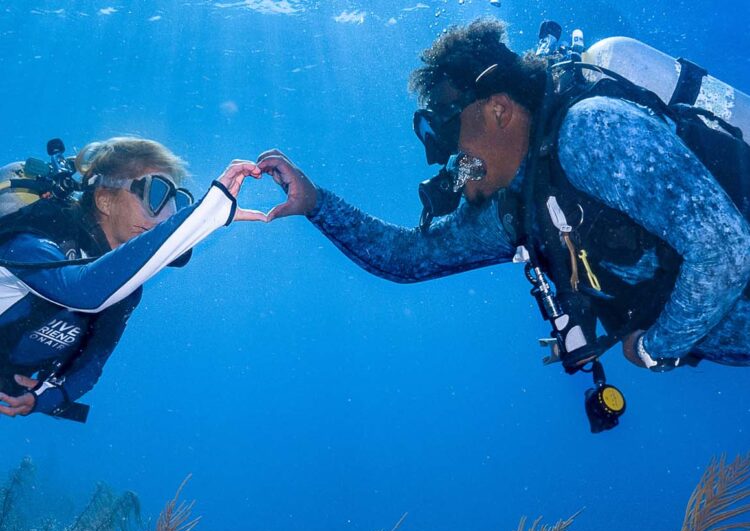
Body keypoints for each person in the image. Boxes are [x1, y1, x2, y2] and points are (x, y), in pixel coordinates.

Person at [256, 18, 750, 372]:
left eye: (451, 131)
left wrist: (656, 348)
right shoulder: (516, 205)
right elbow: (408, 258)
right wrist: (316, 203)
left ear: (498, 111)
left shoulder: (592, 130)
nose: (450, 160)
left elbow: (725, 252)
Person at [0, 138, 266, 420]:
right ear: (105, 199)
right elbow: (80, 291)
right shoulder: (34, 233)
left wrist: (46, 397)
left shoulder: (123, 289)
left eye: (176, 203)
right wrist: (206, 214)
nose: (165, 216)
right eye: (155, 195)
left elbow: (92, 362)